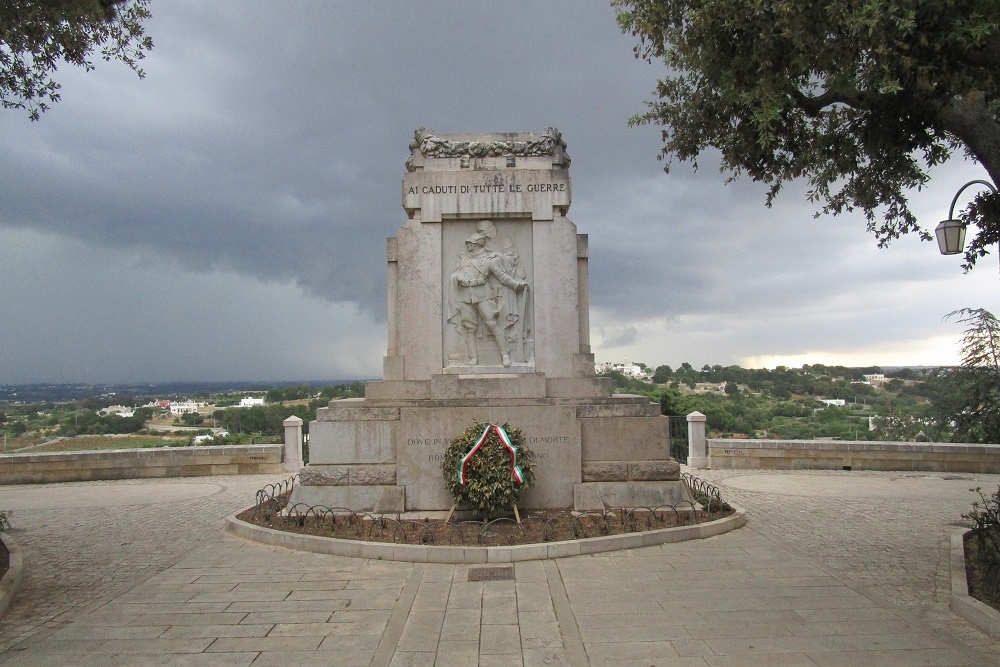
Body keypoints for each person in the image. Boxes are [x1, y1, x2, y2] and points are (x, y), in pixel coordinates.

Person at [448, 233, 527, 367]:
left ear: (478, 244)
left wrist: (516, 285)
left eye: (471, 243)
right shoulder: (464, 259)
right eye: (468, 243)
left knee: (491, 323)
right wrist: (457, 276)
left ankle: (505, 354)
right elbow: (458, 272)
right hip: (466, 295)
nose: (468, 245)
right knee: (470, 327)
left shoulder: (489, 260)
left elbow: (502, 276)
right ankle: (473, 357)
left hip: (483, 294)